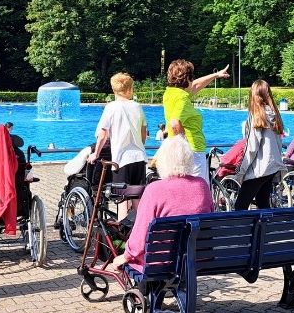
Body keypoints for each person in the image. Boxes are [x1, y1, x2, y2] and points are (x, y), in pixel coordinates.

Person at [107, 135, 213, 274]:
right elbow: (209, 220)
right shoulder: (202, 185)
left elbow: (140, 235)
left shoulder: (154, 189)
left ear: (163, 161)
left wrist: (126, 256)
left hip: (160, 261)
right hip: (199, 257)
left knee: (137, 260)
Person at [90, 73, 148, 219]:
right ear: (130, 89)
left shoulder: (111, 107)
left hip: (121, 160)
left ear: (114, 89)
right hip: (139, 158)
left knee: (122, 200)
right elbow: (143, 134)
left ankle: (123, 236)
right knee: (137, 199)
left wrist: (95, 154)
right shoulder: (137, 106)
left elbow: (103, 135)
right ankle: (139, 234)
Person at [162, 59, 230, 179]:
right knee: (198, 190)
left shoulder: (171, 93)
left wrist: (215, 75)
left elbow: (195, 86)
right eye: (192, 77)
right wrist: (185, 144)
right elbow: (174, 123)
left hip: (177, 152)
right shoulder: (182, 97)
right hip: (193, 152)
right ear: (187, 78)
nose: (193, 80)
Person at [233, 80, 285, 211]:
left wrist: (241, 170)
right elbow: (279, 144)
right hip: (272, 167)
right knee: (263, 203)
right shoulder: (275, 115)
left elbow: (251, 148)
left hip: (259, 169)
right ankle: (263, 231)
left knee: (240, 206)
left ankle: (243, 232)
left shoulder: (256, 116)